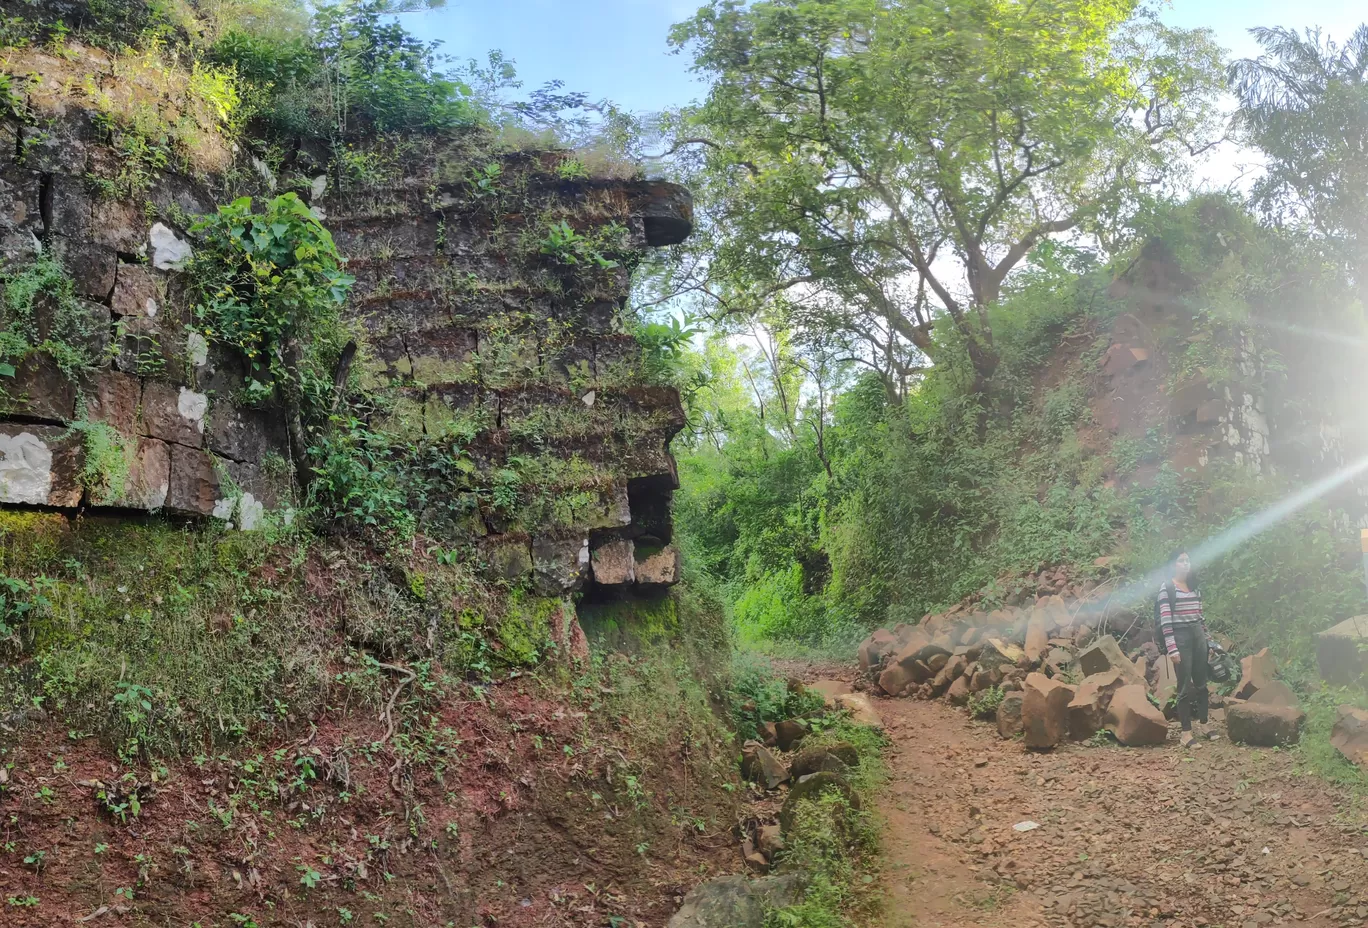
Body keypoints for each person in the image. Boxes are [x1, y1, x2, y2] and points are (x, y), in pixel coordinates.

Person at [1157, 550, 1211, 748]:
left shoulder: (1195, 587)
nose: (1186, 564)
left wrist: (1209, 641)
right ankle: (1186, 733)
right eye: (1181, 561)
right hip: (1180, 637)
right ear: (1173, 565)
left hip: (1197, 635)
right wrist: (1172, 648)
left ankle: (1205, 724)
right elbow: (1166, 622)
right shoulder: (1167, 588)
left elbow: (1200, 617)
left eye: (1188, 560)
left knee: (1202, 683)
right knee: (1183, 686)